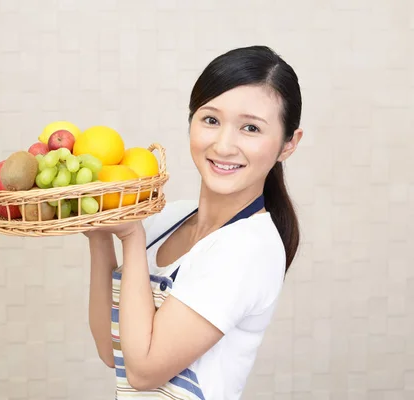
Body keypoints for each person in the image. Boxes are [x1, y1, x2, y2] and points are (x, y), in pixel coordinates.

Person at [84, 45, 304, 400]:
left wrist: (131, 235)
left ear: (288, 145)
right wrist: (99, 234)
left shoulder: (249, 247)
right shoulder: (168, 218)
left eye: (250, 128)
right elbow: (113, 352)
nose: (224, 144)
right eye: (211, 120)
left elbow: (142, 371)